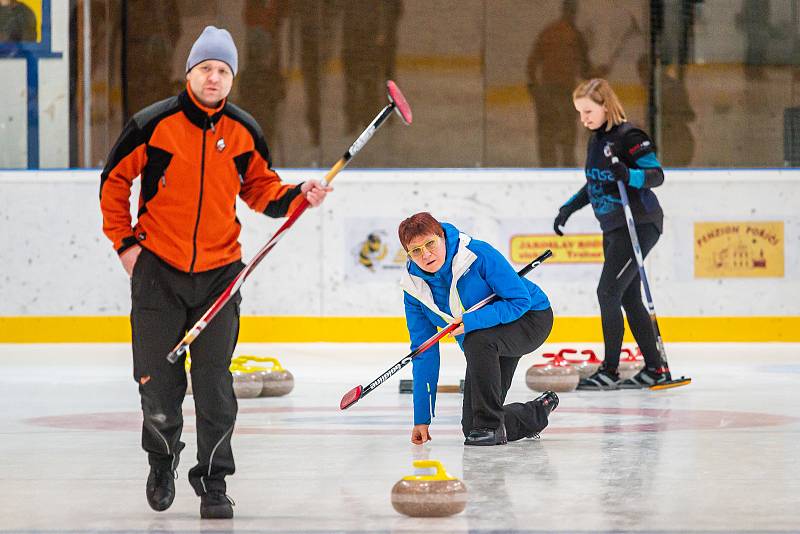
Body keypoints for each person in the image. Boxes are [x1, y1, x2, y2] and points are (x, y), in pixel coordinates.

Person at [99, 26, 331, 519]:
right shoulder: (152, 124)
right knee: (158, 384)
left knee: (215, 386)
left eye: (223, 70)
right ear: (190, 73)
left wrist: (298, 195)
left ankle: (214, 481)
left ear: (232, 79)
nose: (214, 77)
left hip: (220, 276)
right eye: (206, 67)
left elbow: (261, 190)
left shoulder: (244, 130)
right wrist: (124, 245)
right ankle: (162, 461)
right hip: (157, 273)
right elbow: (113, 181)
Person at [398, 212, 558, 447]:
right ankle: (535, 413)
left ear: (442, 237)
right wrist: (421, 419)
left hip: (529, 318)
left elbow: (520, 300)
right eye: (416, 250)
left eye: (430, 243)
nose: (426, 254)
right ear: (409, 254)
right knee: (472, 427)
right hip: (485, 338)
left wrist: (472, 321)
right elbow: (424, 352)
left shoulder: (477, 254)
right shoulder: (414, 289)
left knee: (477, 341)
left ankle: (491, 427)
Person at [553, 78, 668, 390]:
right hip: (613, 228)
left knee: (608, 293)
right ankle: (655, 370)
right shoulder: (596, 139)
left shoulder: (629, 137)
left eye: (588, 111)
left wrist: (629, 174)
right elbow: (596, 182)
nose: (584, 119)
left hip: (639, 225)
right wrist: (568, 208)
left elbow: (657, 175)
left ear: (606, 106)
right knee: (627, 296)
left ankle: (611, 371)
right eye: (579, 112)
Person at [526, 0, 597, 167]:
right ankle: (567, 171)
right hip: (565, 92)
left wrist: (534, 88)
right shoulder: (575, 36)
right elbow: (585, 71)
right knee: (567, 139)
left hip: (547, 92)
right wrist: (598, 73)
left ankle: (547, 170)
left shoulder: (549, 32)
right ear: (574, 12)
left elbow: (531, 64)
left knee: (547, 137)